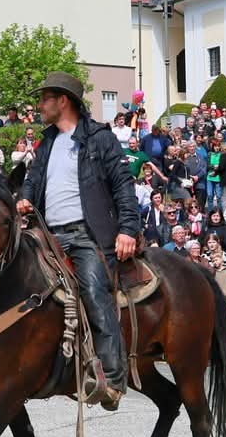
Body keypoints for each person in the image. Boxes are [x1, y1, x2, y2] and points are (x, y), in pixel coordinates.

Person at [14, 71, 140, 409]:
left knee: (95, 293)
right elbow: (33, 179)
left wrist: (128, 229)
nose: (39, 105)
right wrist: (26, 197)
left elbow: (123, 185)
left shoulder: (99, 138)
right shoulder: (48, 142)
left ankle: (113, 379)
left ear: (63, 101)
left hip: (86, 236)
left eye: (44, 98)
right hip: (47, 235)